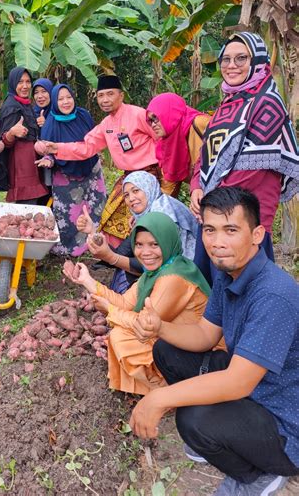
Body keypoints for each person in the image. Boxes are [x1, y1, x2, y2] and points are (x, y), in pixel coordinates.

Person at [130, 187, 299, 495]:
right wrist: (160, 328)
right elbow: (206, 334)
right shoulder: (229, 272)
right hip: (255, 384)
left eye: (231, 230)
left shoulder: (274, 294)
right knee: (167, 351)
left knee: (193, 418)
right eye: (210, 229)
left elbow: (238, 383)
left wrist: (158, 399)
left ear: (257, 234)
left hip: (286, 421)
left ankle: (259, 475)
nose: (217, 242)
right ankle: (225, 436)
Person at [190, 32, 298, 283]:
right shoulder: (229, 102)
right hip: (215, 206)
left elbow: (255, 167)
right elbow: (206, 152)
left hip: (248, 207)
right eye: (225, 59)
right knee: (216, 283)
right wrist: (196, 186)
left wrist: (211, 198)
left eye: (241, 58)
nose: (231, 65)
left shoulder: (267, 102)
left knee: (246, 281)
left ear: (257, 61)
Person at [63, 212, 212, 395]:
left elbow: (144, 323)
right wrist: (87, 281)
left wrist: (110, 310)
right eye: (139, 245)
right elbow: (125, 302)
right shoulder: (158, 269)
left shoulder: (174, 277)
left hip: (200, 355)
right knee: (120, 335)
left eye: (154, 245)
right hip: (173, 341)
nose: (145, 252)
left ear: (168, 242)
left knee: (123, 339)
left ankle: (168, 391)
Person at [37, 75, 158, 247]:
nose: (105, 100)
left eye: (110, 94)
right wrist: (57, 149)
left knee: (149, 217)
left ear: (121, 95)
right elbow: (86, 147)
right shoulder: (106, 124)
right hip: (129, 177)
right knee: (110, 216)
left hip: (151, 175)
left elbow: (160, 139)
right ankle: (116, 255)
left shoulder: (138, 114)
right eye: (101, 96)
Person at [77, 171, 198, 293]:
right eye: (126, 195)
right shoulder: (148, 212)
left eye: (136, 191)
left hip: (185, 278)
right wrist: (92, 231)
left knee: (126, 273)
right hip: (171, 273)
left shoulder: (160, 213)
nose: (131, 199)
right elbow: (123, 252)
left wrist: (111, 257)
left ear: (148, 187)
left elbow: (153, 263)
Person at [37, 84, 106, 256]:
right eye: (60, 99)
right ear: (54, 101)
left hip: (91, 170)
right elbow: (48, 150)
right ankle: (71, 248)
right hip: (65, 175)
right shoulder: (50, 124)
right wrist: (48, 160)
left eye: (68, 97)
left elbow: (93, 138)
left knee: (95, 206)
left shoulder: (83, 115)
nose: (66, 102)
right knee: (69, 215)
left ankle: (95, 241)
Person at [0, 67, 48, 204]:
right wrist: (12, 132)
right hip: (22, 169)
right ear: (13, 83)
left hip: (32, 164)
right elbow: (3, 141)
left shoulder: (24, 104)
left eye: (28, 82)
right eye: (20, 82)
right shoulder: (11, 106)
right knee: (27, 208)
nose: (25, 86)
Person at [146, 92, 210, 197]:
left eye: (156, 118)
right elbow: (169, 186)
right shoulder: (166, 143)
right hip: (201, 195)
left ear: (168, 113)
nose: (153, 124)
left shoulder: (200, 123)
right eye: (150, 121)